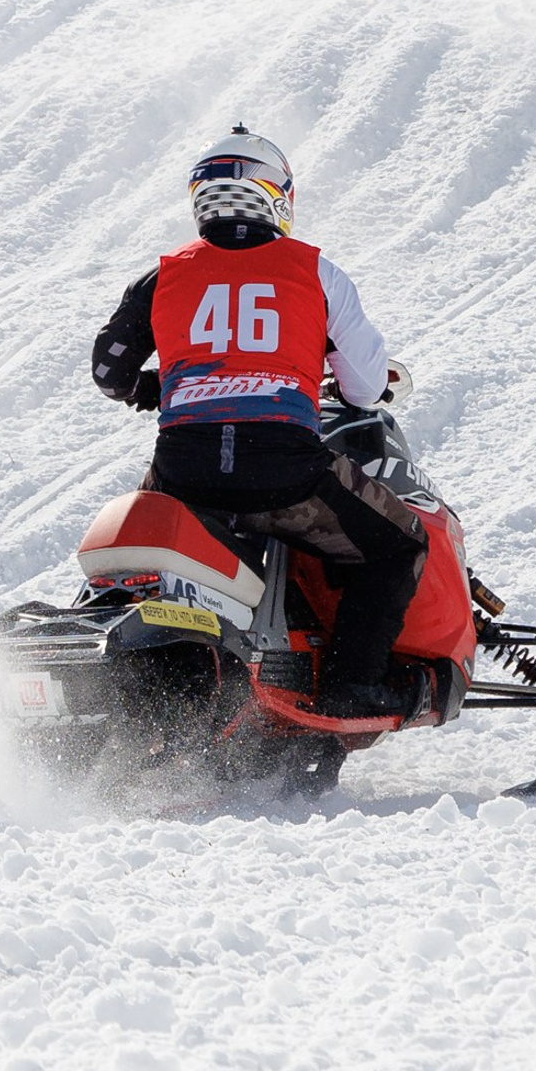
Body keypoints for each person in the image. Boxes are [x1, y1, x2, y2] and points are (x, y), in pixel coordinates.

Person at [91, 126, 426, 719]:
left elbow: (108, 369)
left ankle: (115, 662)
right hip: (283, 470)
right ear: (280, 196)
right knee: (397, 545)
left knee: (141, 555)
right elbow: (367, 387)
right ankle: (351, 685)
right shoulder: (316, 272)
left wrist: (153, 387)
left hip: (184, 470)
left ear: (201, 196)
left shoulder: (163, 276)